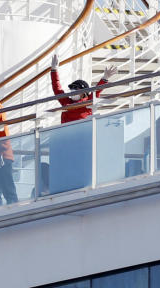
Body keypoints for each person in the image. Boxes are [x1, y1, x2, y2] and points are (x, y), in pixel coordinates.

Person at [47, 55, 115, 194]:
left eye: (76, 90)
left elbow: (97, 91)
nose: (72, 93)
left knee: (79, 165)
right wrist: (54, 70)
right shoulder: (66, 103)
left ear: (83, 92)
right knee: (67, 165)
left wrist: (105, 78)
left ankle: (80, 186)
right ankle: (67, 186)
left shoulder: (87, 102)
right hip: (66, 140)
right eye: (72, 90)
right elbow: (57, 89)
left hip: (81, 141)